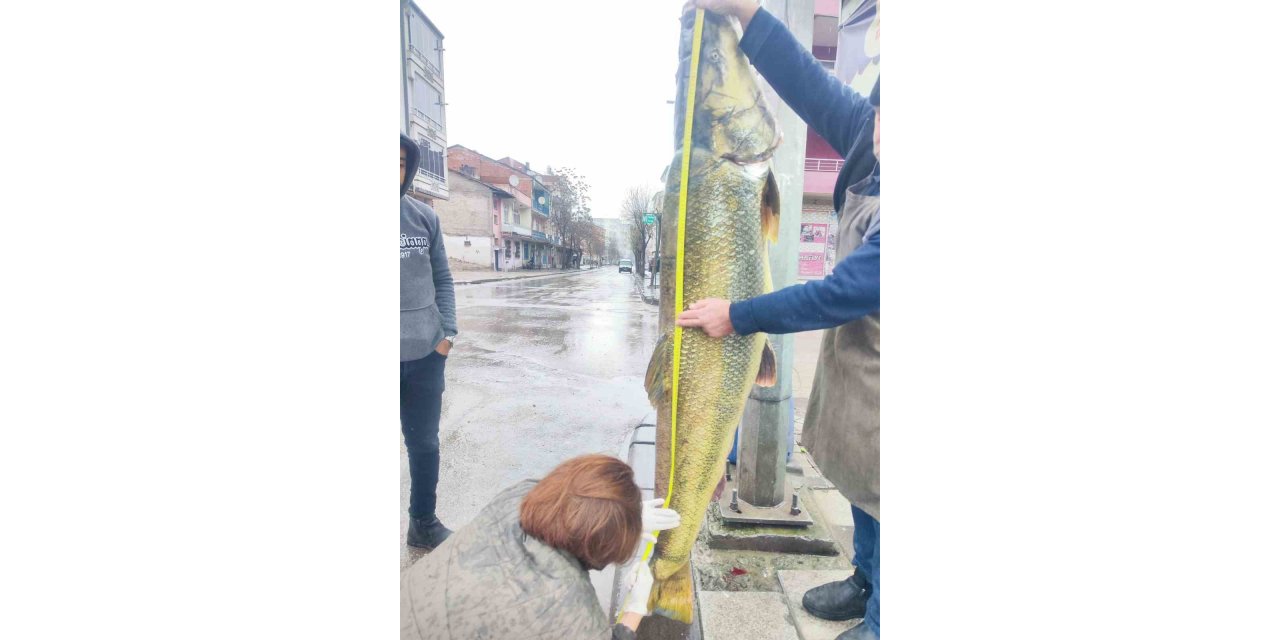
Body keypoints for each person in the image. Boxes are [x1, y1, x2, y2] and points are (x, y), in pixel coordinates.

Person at [676, 2, 881, 638]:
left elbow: (838, 293)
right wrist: (744, 12)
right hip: (861, 358)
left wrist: (737, 315)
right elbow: (808, 84)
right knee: (861, 483)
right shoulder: (872, 136)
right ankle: (867, 580)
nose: (880, 125)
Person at [400, 454, 681, 640]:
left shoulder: (516, 497)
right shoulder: (571, 613)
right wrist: (634, 610)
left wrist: (622, 515)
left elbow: (572, 491)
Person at [401, 134, 458, 551]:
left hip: (424, 353)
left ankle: (422, 521)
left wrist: (447, 334)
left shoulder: (423, 217)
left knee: (424, 444)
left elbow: (443, 278)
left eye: (401, 162)